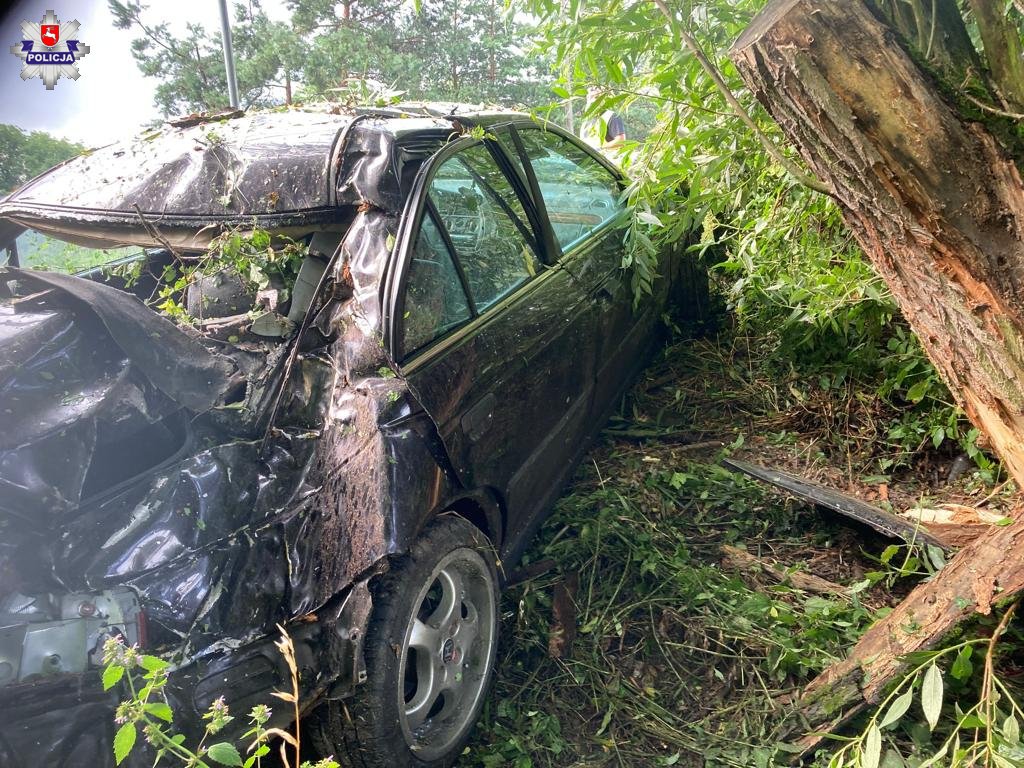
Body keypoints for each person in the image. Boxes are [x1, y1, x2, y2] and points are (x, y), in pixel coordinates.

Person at [581, 87, 626, 152]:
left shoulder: (611, 116)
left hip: (605, 157)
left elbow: (621, 142)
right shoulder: (586, 120)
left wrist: (600, 148)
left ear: (603, 99)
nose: (593, 101)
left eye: (596, 98)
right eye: (590, 97)